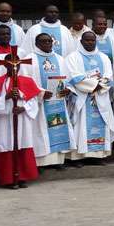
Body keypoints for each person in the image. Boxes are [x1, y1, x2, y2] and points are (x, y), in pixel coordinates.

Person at [0, 54, 41, 189]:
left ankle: (22, 177)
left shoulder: (28, 81)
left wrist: (23, 108)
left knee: (23, 143)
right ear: (5, 64)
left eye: (18, 63)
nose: (15, 66)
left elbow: (34, 101)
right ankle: (8, 179)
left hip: (22, 119)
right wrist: (6, 97)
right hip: (4, 119)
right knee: (6, 145)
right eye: (11, 63)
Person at [22, 33, 74, 169]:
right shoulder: (29, 59)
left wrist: (68, 89)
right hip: (40, 103)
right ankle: (42, 163)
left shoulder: (60, 59)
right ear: (37, 43)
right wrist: (40, 93)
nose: (47, 44)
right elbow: (25, 81)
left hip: (58, 102)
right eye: (43, 42)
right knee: (41, 131)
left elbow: (68, 79)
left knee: (58, 129)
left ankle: (57, 161)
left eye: (49, 41)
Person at [66, 32, 114, 164]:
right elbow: (74, 77)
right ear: (81, 41)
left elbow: (109, 77)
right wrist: (94, 85)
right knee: (80, 126)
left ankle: (98, 156)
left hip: (100, 98)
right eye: (87, 40)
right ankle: (79, 157)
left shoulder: (104, 57)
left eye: (92, 40)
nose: (90, 43)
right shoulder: (73, 57)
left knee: (101, 124)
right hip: (82, 98)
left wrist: (98, 85)